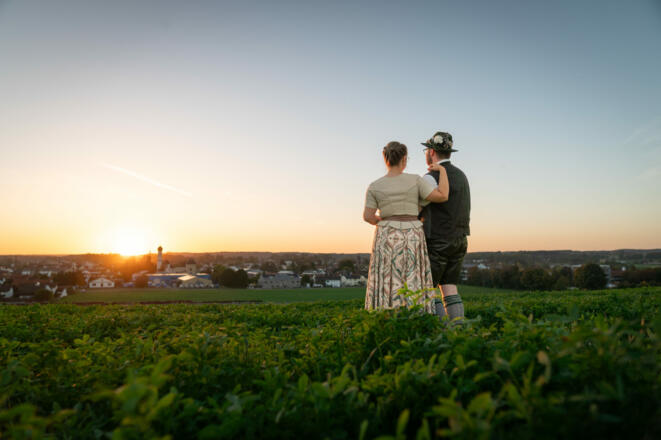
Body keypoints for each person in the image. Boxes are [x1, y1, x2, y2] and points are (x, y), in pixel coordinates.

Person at [363, 141, 449, 312]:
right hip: (413, 233)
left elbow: (368, 216)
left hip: (386, 235)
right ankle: (416, 315)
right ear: (404, 159)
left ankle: (385, 314)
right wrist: (443, 171)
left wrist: (385, 222)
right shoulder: (415, 180)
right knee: (412, 278)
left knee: (387, 278)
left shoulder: (374, 186)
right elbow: (442, 196)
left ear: (386, 159)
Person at [419, 131, 471, 322]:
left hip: (437, 240)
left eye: (426, 150)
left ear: (432, 152)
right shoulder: (461, 176)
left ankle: (440, 331)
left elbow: (417, 208)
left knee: (428, 290)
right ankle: (458, 331)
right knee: (450, 287)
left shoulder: (430, 177)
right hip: (460, 239)